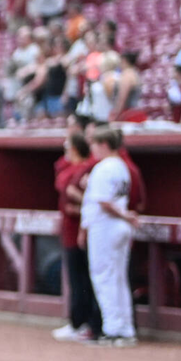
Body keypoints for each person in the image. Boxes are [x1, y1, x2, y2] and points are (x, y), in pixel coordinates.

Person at [80, 127, 138, 347]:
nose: (92, 148)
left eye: (94, 144)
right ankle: (125, 328)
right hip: (118, 226)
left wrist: (125, 215)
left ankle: (114, 330)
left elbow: (104, 202)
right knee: (118, 278)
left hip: (106, 227)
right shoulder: (121, 166)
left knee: (105, 278)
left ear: (104, 144)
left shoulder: (104, 167)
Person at [53, 131, 101, 343]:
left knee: (82, 280)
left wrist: (80, 205)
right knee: (77, 279)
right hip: (73, 230)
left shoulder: (86, 168)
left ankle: (84, 323)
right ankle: (79, 322)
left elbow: (81, 197)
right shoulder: (72, 168)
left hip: (84, 230)